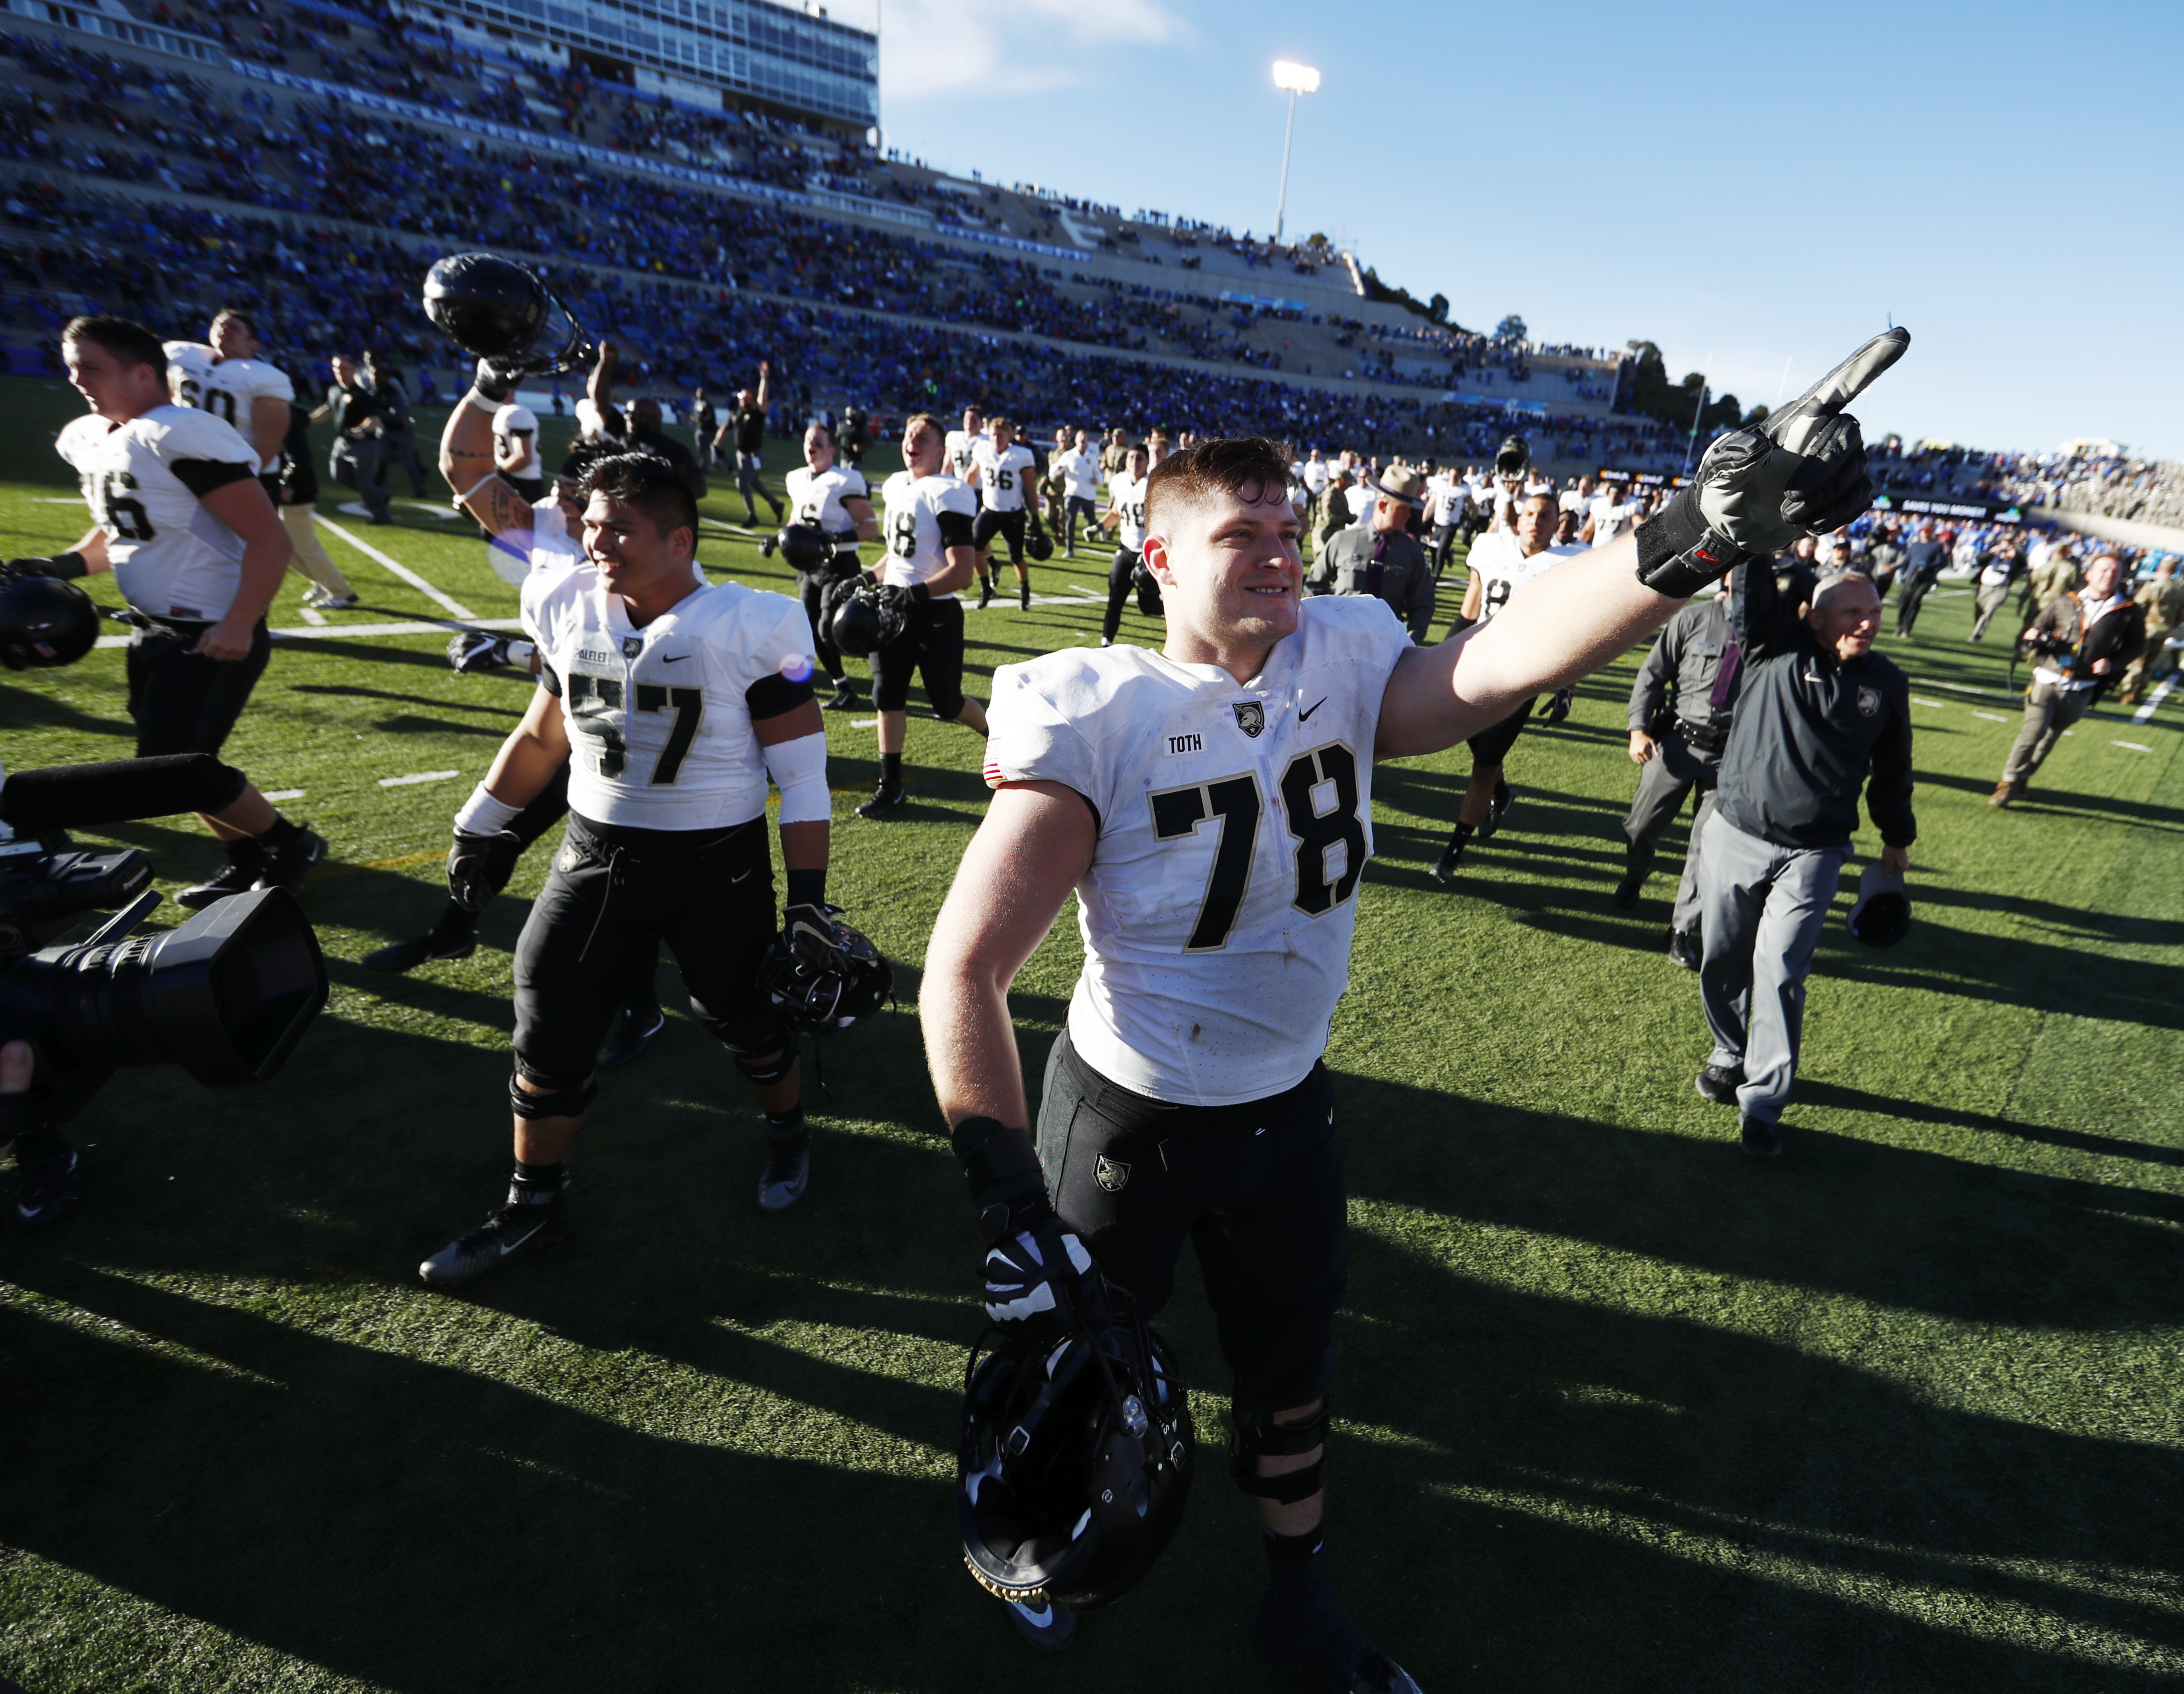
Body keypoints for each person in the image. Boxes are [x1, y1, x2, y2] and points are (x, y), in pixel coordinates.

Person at [918, 331, 1893, 1675]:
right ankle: (1047, 1540)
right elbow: (962, 967)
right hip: (1123, 1113)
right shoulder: (1094, 706)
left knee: (1288, 1380)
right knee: (1066, 1359)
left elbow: (1507, 657)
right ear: (1156, 563)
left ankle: (1299, 1597)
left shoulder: (1344, 651)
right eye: (1235, 534)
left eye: (1284, 527)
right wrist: (1005, 1195)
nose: (1274, 550)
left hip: (1280, 1108)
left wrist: (1699, 532)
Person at [416, 448, 837, 1285]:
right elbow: (546, 734)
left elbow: (800, 774)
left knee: (744, 1017)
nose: (597, 541)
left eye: (621, 529)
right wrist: (481, 827)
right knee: (547, 1012)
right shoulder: (570, 604)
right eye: (593, 524)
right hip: (596, 850)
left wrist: (808, 906)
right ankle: (532, 1202)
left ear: (679, 540)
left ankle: (788, 1130)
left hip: (715, 862)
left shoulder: (749, 623)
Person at [15, 315, 323, 905]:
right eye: (73, 365)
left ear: (142, 372)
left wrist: (236, 623)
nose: (77, 378)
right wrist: (59, 567)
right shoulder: (107, 436)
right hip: (156, 630)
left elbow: (269, 539)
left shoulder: (178, 432)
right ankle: (248, 855)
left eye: (91, 367)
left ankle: (290, 844)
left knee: (172, 768)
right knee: (177, 764)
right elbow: (124, 533)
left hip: (209, 630)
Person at [1696, 567, 1913, 1157]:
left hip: (1816, 851)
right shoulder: (1771, 647)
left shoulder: (1887, 683)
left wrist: (1897, 835)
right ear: (1814, 617)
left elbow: (1895, 767)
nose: (1868, 622)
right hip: (1737, 831)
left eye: (1873, 611)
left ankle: (1764, 1103)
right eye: (1852, 612)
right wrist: (1769, 526)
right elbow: (1753, 587)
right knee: (1721, 958)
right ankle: (1727, 1050)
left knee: (1783, 968)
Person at [1428, 488, 1586, 881]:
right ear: (1519, 519)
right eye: (1530, 513)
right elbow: (1472, 603)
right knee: (1476, 746)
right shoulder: (1489, 548)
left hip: (1522, 676)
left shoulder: (1569, 564)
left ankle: (1453, 850)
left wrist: (1569, 685)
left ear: (1557, 523)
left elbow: (1576, 629)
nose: (1535, 521)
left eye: (1545, 515)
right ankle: (1501, 794)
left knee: (1484, 763)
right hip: (1476, 662)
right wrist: (1440, 657)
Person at [857, 411, 990, 818]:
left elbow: (963, 572)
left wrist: (913, 594)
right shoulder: (898, 485)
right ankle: (891, 786)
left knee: (947, 702)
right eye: (908, 434)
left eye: (922, 437)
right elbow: (898, 556)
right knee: (888, 695)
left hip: (934, 613)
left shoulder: (946, 492)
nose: (911, 441)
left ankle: (999, 737)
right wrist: (868, 575)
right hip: (894, 608)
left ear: (939, 451)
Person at [1617, 574, 1740, 968]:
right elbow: (1652, 676)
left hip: (1733, 758)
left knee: (1709, 847)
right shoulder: (1693, 619)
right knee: (1641, 827)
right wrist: (1638, 729)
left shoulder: (1778, 632)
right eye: (1746, 569)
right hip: (1676, 745)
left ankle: (1682, 930)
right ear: (1728, 577)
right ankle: (1635, 876)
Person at [1989, 552, 2145, 806]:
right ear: (2089, 575)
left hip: (2083, 688)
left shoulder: (2128, 610)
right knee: (2033, 733)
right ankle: (2007, 783)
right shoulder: (2065, 602)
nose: (2109, 575)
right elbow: (2038, 626)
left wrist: (2113, 663)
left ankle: (2022, 779)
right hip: (2047, 679)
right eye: (2103, 570)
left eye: (2115, 572)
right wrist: (2034, 636)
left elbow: (2136, 646)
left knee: (2049, 739)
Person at [784, 418, 878, 711]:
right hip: (812, 567)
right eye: (808, 442)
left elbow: (871, 526)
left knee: (828, 629)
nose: (811, 447)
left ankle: (877, 650)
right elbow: (796, 519)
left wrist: (838, 537)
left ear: (833, 450)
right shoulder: (798, 478)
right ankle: (844, 688)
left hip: (841, 564)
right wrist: (778, 539)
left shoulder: (844, 480)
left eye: (818, 443)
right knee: (811, 629)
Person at [1307, 466, 1435, 642]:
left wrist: (1410, 641)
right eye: (1403, 509)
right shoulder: (1343, 541)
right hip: (1337, 645)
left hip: (1386, 650)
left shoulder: (1412, 552)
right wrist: (1319, 632)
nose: (1409, 515)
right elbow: (1313, 588)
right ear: (1383, 506)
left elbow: (1423, 603)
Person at [272, 384, 359, 609]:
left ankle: (342, 592)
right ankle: (319, 580)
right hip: (286, 484)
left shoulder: (283, 416)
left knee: (304, 545)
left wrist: (286, 482)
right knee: (279, 544)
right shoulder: (288, 411)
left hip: (296, 487)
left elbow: (298, 456)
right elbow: (309, 418)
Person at [968, 416, 1042, 610]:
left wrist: (1035, 517)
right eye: (994, 435)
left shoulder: (1022, 455)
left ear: (1010, 435)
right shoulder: (982, 450)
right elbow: (971, 474)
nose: (997, 439)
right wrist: (963, 501)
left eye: (1001, 435)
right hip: (989, 511)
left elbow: (1030, 489)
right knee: (974, 549)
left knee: (1016, 558)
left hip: (1013, 515)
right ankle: (986, 588)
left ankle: (1025, 590)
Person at [313, 353, 391, 525]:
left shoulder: (362, 395)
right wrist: (307, 419)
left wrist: (361, 430)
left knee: (365, 484)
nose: (340, 372)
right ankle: (379, 495)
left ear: (354, 370)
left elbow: (374, 420)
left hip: (364, 445)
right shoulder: (335, 391)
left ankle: (382, 516)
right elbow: (328, 409)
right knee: (339, 476)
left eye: (344, 368)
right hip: (342, 442)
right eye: (336, 368)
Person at [1097, 442, 1154, 647]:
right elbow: (1116, 512)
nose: (1134, 462)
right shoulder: (1119, 482)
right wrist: (1099, 526)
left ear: (1148, 462)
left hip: (1148, 555)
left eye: (1139, 458)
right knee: (1115, 597)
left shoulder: (1154, 485)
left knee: (1147, 606)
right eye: (1131, 457)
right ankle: (1106, 643)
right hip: (1126, 549)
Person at [715, 363, 784, 526]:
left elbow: (763, 397)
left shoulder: (757, 413)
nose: (744, 400)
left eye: (747, 398)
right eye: (742, 398)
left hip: (754, 454)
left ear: (753, 400)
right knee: (755, 483)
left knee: (742, 482)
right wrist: (716, 443)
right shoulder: (735, 413)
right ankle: (776, 504)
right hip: (742, 455)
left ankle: (753, 517)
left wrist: (764, 379)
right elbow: (725, 428)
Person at [2120, 558, 2183, 703]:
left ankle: (2128, 693)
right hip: (2165, 631)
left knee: (2138, 661)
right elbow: (2182, 615)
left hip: (2147, 629)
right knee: (2149, 663)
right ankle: (2140, 692)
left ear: (2160, 569)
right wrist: (2172, 625)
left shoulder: (2153, 587)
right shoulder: (2180, 590)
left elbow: (2137, 605)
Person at [1052, 427, 1102, 557]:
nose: (1083, 443)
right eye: (1081, 441)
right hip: (1072, 493)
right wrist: (1057, 471)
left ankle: (1100, 528)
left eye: (1085, 441)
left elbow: (1099, 475)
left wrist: (1097, 480)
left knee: (1090, 521)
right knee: (1070, 521)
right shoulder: (1069, 456)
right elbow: (1055, 471)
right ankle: (1069, 549)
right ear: (1076, 441)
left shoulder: (1092, 457)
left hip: (1088, 495)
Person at [1892, 523, 1946, 635]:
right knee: (1904, 602)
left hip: (1925, 579)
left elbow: (1941, 562)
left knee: (1915, 601)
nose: (1926, 534)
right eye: (1924, 532)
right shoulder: (1914, 546)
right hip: (1910, 578)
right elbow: (1906, 561)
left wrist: (1928, 566)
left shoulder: (1936, 546)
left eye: (1928, 532)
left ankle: (1908, 627)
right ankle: (1900, 625)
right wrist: (1902, 574)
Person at [493, 391, 544, 502]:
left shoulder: (516, 413)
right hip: (512, 480)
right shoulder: (502, 411)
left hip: (523, 483)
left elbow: (522, 457)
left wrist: (499, 470)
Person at [1968, 533, 2021, 640]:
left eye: (2010, 542)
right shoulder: (1994, 551)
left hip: (2001, 588)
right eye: (2005, 542)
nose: (2007, 544)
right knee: (1980, 610)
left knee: (1989, 609)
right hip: (1985, 586)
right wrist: (1990, 553)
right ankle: (1978, 629)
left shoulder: (2016, 555)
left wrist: (2016, 556)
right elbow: (1978, 559)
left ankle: (1977, 635)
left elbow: (2023, 564)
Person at [690, 386, 717, 470]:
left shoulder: (708, 405)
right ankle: (703, 466)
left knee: (713, 449)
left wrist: (700, 419)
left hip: (709, 431)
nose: (699, 395)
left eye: (701, 394)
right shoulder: (697, 404)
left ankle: (725, 462)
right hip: (700, 430)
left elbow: (710, 417)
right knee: (701, 449)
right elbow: (699, 416)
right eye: (698, 393)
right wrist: (695, 419)